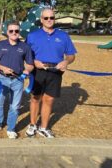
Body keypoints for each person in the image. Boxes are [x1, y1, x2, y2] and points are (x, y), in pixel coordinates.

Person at [25, 8, 77, 138]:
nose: (49, 20)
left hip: (55, 72)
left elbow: (71, 55)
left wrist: (66, 62)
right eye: (46, 18)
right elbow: (26, 55)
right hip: (38, 71)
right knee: (35, 98)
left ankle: (43, 127)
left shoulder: (63, 36)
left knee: (48, 100)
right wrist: (34, 61)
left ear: (55, 19)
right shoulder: (32, 36)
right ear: (41, 20)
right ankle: (32, 124)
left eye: (52, 18)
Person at [0, 21, 34, 139]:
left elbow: (30, 64)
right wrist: (3, 68)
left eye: (16, 31)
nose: (14, 33)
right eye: (11, 31)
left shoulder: (25, 47)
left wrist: (27, 71)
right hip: (2, 79)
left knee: (15, 106)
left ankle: (11, 128)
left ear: (19, 32)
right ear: (7, 32)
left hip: (18, 80)